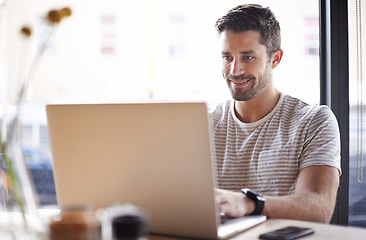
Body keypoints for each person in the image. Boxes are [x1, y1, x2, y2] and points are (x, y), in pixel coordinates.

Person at [210, 4, 341, 223]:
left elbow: (318, 208)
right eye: (227, 57)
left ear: (276, 58)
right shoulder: (204, 123)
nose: (235, 70)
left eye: (248, 57)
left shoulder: (313, 121)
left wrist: (249, 203)